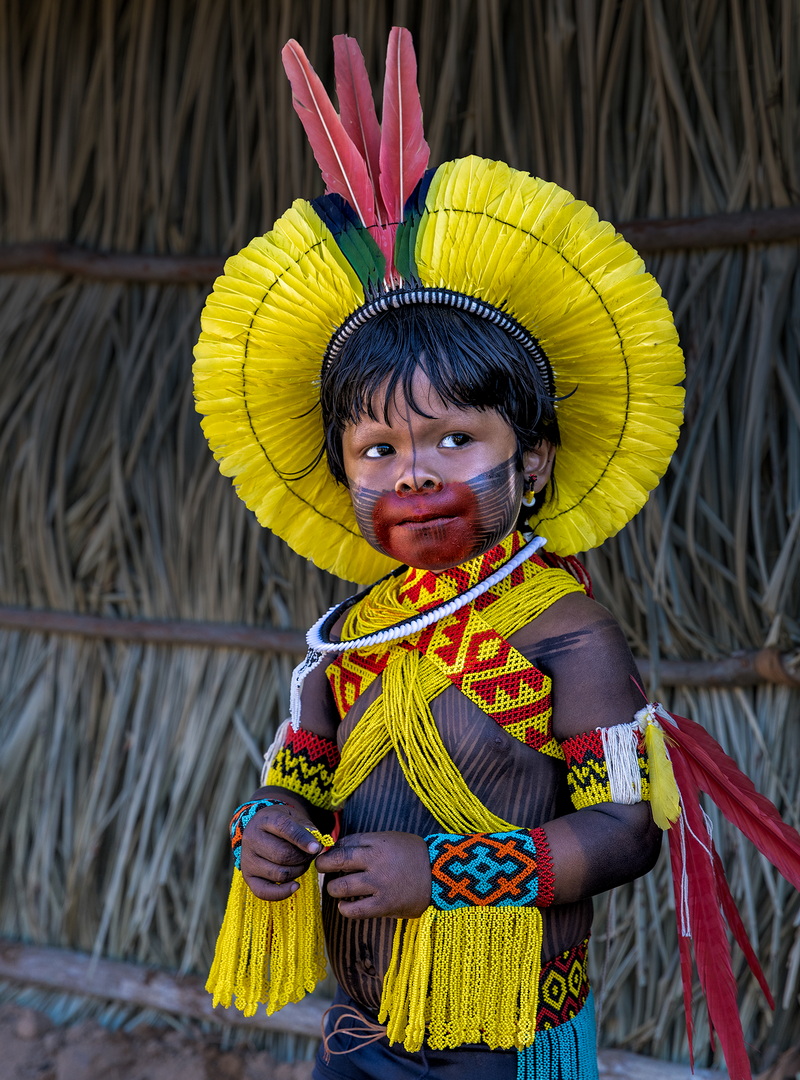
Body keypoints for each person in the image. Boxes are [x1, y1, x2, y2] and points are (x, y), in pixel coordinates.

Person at [193, 28, 800, 1080]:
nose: (414, 472)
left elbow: (622, 831)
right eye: (378, 448)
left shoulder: (566, 633)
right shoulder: (358, 628)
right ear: (343, 478)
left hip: (504, 1033)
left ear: (531, 464)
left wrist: (444, 874)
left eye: (452, 439)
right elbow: (306, 761)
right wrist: (274, 820)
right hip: (358, 1022)